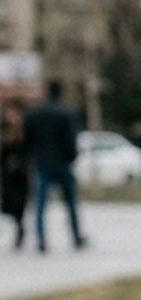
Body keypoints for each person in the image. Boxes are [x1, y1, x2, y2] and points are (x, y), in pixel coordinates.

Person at [24, 81, 86, 253]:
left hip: (41, 162)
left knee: (40, 203)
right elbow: (71, 138)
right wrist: (72, 157)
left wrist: (30, 158)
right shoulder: (66, 112)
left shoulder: (34, 113)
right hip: (62, 162)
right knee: (70, 202)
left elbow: (27, 139)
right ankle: (76, 236)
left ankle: (41, 239)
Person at [1, 101, 30, 249]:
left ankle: (20, 230)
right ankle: (19, 228)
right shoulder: (4, 129)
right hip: (8, 174)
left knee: (19, 205)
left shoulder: (25, 131)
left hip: (21, 175)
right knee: (8, 205)